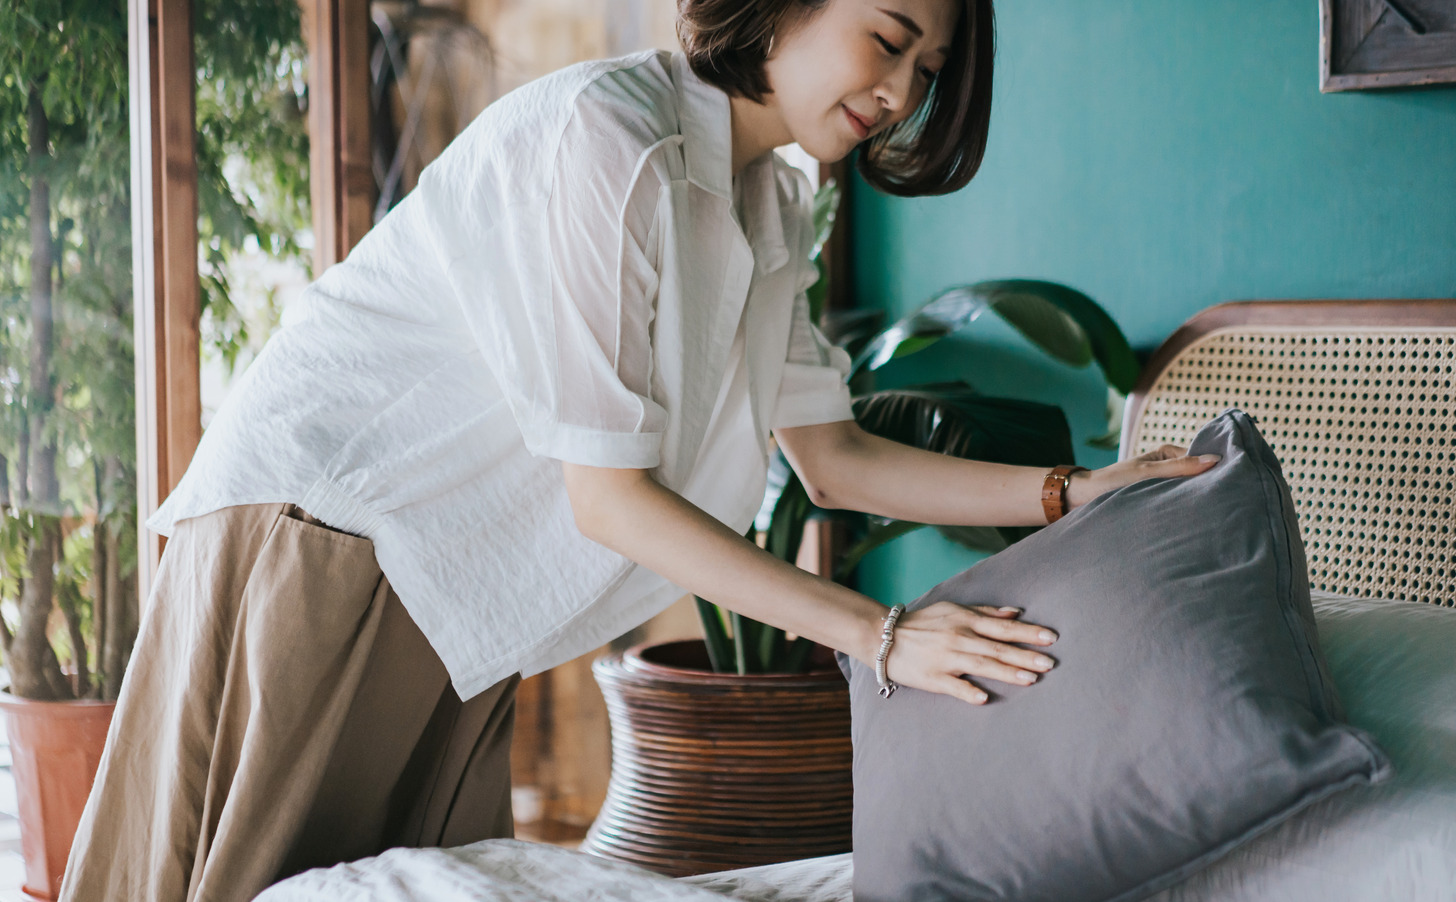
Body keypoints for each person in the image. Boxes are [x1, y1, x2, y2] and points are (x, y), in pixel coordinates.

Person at [60, 0, 1219, 899]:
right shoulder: (610, 136)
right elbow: (609, 499)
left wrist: (1077, 491)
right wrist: (882, 632)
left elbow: (831, 457)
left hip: (453, 595)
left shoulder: (770, 197)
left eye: (925, 71)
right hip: (328, 539)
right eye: (888, 39)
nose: (901, 88)